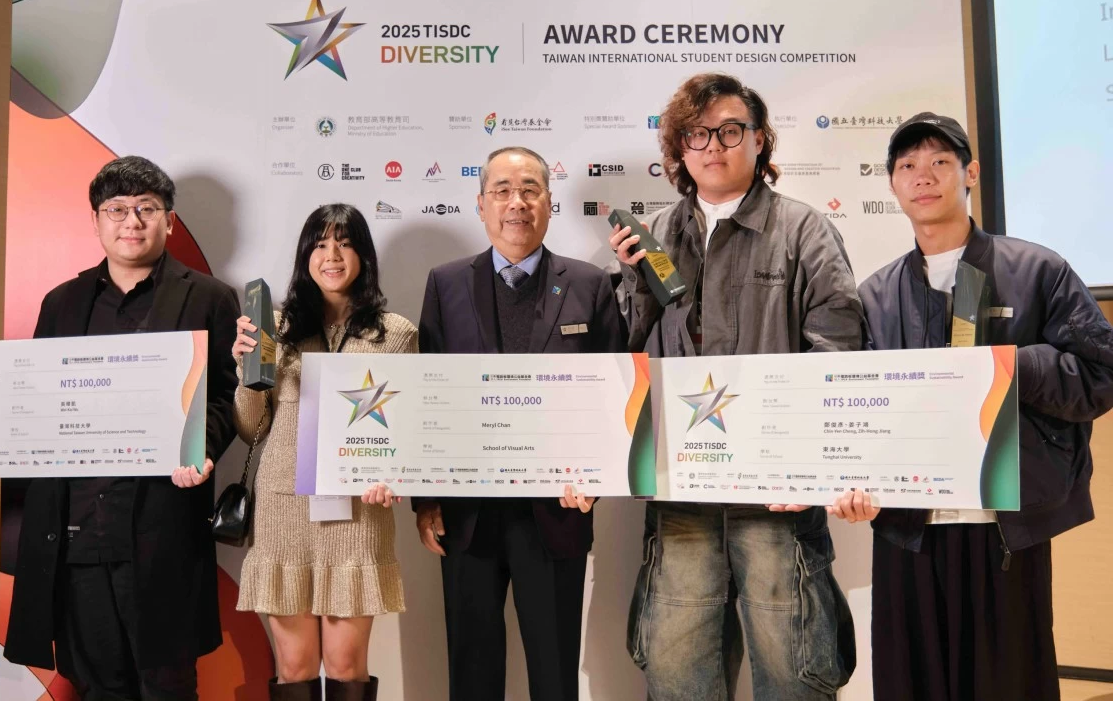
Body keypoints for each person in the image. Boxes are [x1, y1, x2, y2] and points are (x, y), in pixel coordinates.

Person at [0, 156, 241, 700]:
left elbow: (231, 393)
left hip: (160, 525)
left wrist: (201, 448)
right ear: (96, 221)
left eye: (146, 208)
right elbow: (27, 406)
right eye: (116, 209)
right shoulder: (62, 302)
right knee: (96, 684)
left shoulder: (210, 297)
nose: (131, 221)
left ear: (168, 219)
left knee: (168, 683)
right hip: (74, 531)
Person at [827, 113, 1113, 701]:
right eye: (907, 166)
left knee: (1009, 684)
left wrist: (1010, 365)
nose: (923, 176)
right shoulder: (876, 295)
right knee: (914, 684)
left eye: (939, 162)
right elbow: (856, 408)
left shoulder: (1037, 271)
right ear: (892, 185)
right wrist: (852, 482)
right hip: (909, 532)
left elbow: (1100, 376)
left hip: (1006, 527)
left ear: (970, 174)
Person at [609, 73, 860, 701]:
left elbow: (837, 350)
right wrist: (633, 282)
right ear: (679, 149)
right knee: (676, 677)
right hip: (681, 497)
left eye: (729, 130)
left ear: (759, 140)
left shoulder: (803, 230)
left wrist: (805, 464)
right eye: (697, 133)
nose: (713, 145)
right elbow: (627, 359)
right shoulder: (654, 236)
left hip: (776, 501)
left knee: (795, 675)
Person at [414, 146, 624, 701]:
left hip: (556, 512)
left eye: (530, 189)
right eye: (502, 191)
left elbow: (614, 398)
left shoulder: (589, 285)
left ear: (549, 204)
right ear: (481, 205)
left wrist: (597, 482)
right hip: (468, 515)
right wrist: (426, 499)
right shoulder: (445, 283)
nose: (516, 203)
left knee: (555, 675)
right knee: (472, 671)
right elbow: (428, 396)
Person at [232, 204, 415, 701]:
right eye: (319, 243)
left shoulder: (396, 333)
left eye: (345, 242)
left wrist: (392, 474)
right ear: (305, 255)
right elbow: (252, 427)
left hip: (358, 514)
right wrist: (247, 372)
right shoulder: (274, 325)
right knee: (293, 667)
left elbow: (407, 430)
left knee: (346, 664)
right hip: (284, 508)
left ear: (364, 255)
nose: (331, 255)